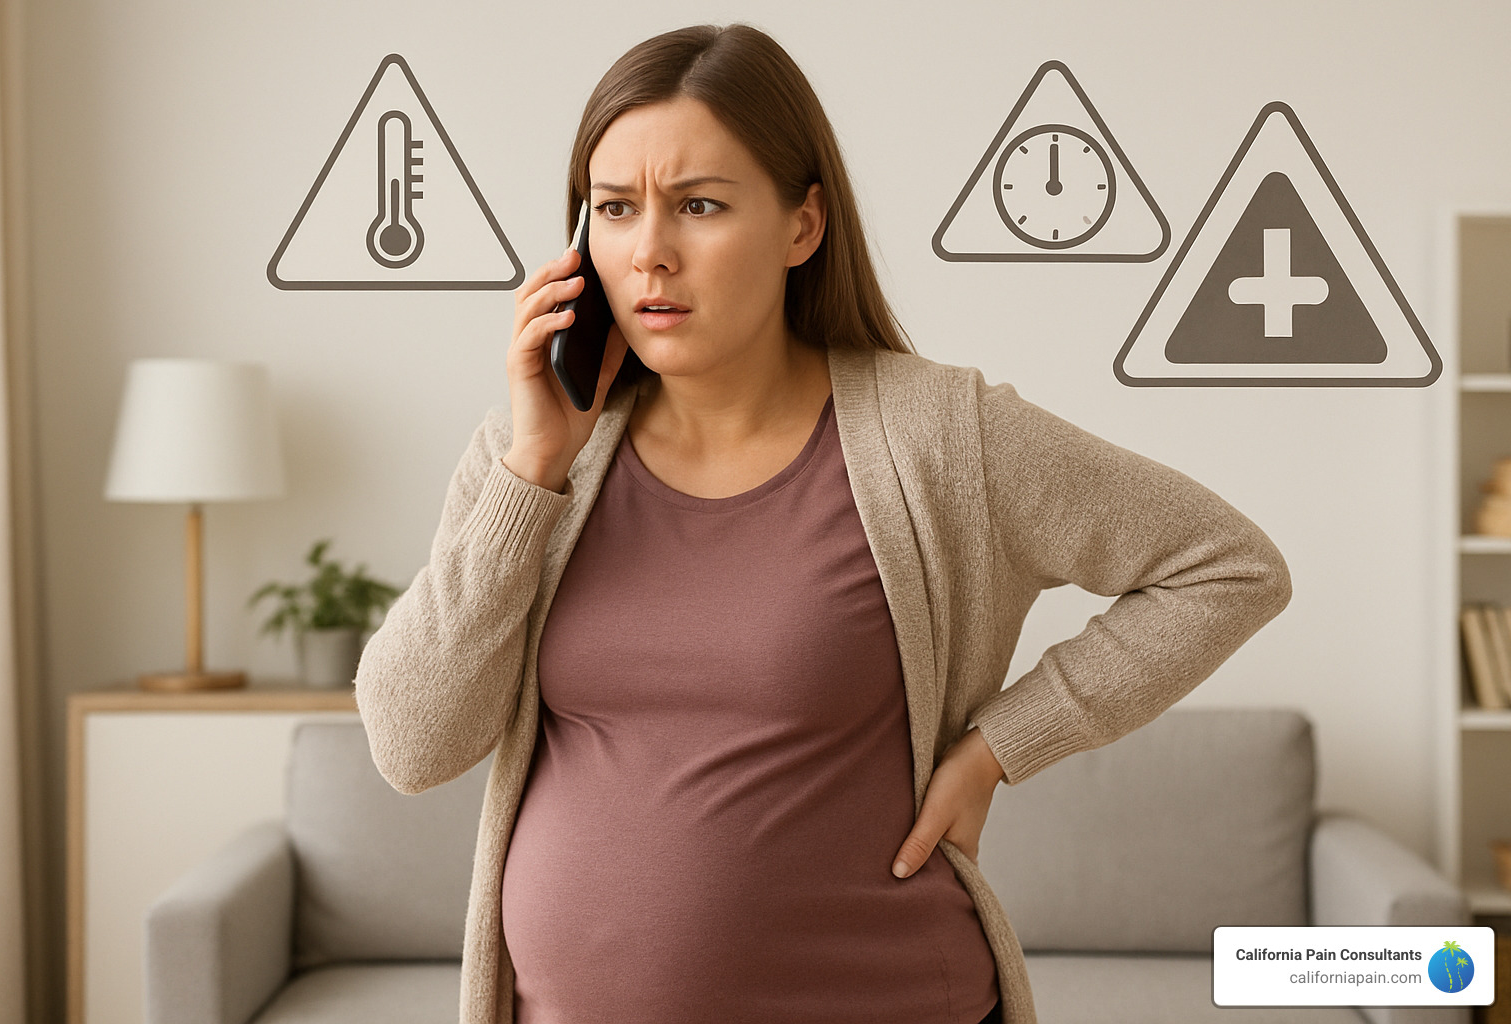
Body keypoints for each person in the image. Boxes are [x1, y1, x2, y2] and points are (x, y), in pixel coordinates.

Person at [353, 22, 1292, 1024]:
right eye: (616, 209)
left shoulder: (939, 438)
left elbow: (1228, 567)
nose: (650, 252)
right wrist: (531, 468)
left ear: (803, 227)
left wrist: (1002, 746)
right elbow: (412, 746)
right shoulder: (530, 461)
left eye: (699, 205)